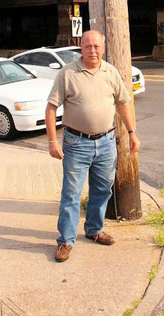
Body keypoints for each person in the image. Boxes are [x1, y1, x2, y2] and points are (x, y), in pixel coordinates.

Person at [45, 30, 140, 263]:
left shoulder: (110, 72)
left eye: (97, 46)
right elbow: (50, 108)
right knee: (71, 194)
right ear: (81, 48)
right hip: (76, 143)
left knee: (102, 190)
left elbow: (124, 103)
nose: (93, 50)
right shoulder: (67, 73)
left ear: (103, 48)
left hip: (106, 142)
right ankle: (66, 240)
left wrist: (132, 133)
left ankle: (94, 229)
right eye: (88, 46)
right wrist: (52, 141)